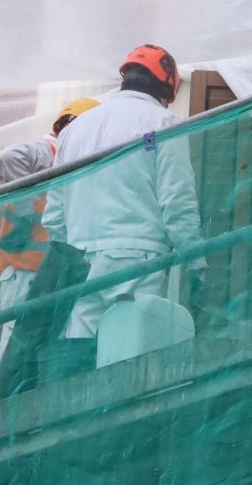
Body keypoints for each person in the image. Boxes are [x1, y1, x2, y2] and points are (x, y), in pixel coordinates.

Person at [42, 45, 203, 373]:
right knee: (130, 351)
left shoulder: (75, 130)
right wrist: (196, 258)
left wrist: (74, 248)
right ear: (167, 88)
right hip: (137, 256)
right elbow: (176, 202)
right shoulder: (164, 122)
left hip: (81, 257)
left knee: (81, 353)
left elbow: (54, 215)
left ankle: (78, 422)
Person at [0, 97, 100, 365]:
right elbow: (8, 157)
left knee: (33, 350)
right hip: (26, 271)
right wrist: (29, 213)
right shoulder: (53, 148)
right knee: (15, 349)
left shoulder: (74, 159)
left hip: (45, 271)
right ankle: (6, 405)